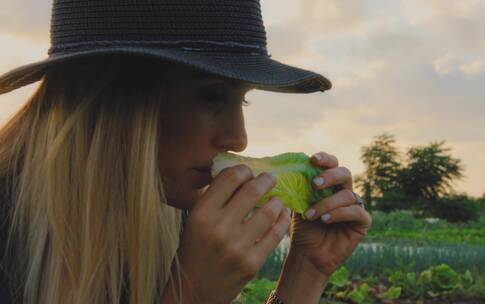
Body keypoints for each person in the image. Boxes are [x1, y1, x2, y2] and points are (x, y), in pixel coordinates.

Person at [0, 0, 372, 303]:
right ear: (117, 100)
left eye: (242, 102)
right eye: (211, 95)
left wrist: (305, 273)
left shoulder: (169, 218)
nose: (238, 138)